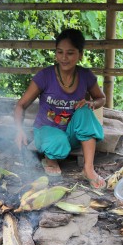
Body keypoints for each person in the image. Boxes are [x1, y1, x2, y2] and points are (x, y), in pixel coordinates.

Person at [14, 28, 106, 189]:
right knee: (58, 142)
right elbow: (21, 105)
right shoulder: (45, 76)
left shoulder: (85, 76)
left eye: (70, 53)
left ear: (80, 54)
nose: (64, 58)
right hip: (46, 130)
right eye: (60, 52)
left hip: (72, 133)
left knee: (84, 111)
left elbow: (101, 98)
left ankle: (88, 169)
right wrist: (18, 130)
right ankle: (50, 159)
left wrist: (92, 104)